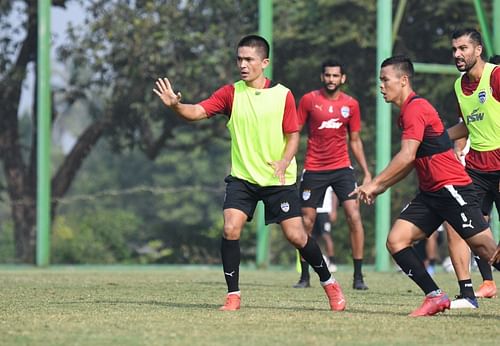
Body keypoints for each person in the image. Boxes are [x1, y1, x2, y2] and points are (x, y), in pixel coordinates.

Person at [153, 35, 346, 312]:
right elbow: (196, 111)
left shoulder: (283, 95)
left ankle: (329, 283)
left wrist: (284, 161)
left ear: (264, 62)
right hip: (243, 178)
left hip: (277, 180)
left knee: (296, 236)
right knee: (231, 227)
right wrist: (175, 106)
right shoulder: (230, 93)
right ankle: (233, 295)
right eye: (239, 59)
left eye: (248, 59)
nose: (242, 64)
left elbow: (293, 136)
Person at [351, 55, 500, 317]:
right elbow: (411, 160)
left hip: (452, 188)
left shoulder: (415, 109)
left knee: (487, 250)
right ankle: (435, 296)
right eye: (380, 81)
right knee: (397, 240)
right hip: (431, 194)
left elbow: (406, 155)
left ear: (403, 80)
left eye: (385, 80)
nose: (381, 86)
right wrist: (381, 186)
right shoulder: (405, 114)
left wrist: (375, 184)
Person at [295, 60, 371, 290]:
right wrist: (284, 161)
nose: (331, 79)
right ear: (322, 77)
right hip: (314, 169)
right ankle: (305, 277)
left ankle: (358, 277)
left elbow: (355, 141)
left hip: (342, 169)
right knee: (306, 222)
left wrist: (367, 172)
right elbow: (294, 133)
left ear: (342, 78)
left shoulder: (351, 105)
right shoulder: (309, 100)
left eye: (335, 76)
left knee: (353, 216)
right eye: (327, 75)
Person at [444, 29, 500, 308]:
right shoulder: (458, 86)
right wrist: (435, 139)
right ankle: (469, 293)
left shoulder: (497, 76)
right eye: (454, 49)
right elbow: (466, 125)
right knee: (457, 223)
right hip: (476, 167)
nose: (457, 54)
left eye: (463, 48)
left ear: (478, 50)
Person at [294, 187, 339, 288]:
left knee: (326, 235)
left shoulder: (330, 174)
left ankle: (332, 262)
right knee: (309, 238)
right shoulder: (308, 175)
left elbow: (334, 194)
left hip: (325, 211)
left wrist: (334, 210)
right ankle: (306, 273)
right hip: (311, 210)